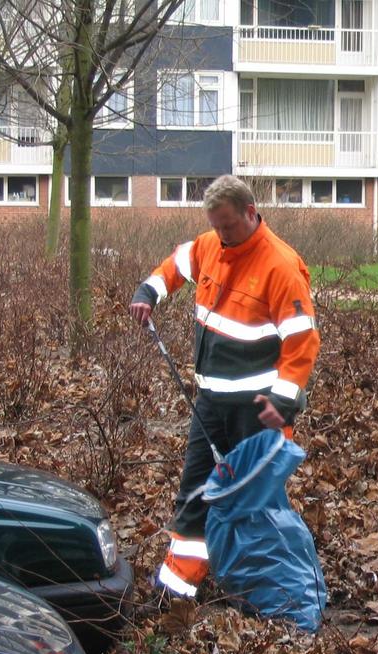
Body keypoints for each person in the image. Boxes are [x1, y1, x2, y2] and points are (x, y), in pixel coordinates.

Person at [129, 175, 320, 599]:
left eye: (229, 226)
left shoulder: (280, 266)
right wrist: (149, 291)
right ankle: (177, 590)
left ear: (251, 213)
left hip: (256, 411)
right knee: (194, 494)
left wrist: (283, 402)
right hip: (210, 404)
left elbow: (302, 341)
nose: (222, 235)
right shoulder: (208, 246)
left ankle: (273, 592)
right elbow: (174, 266)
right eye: (215, 226)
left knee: (255, 504)